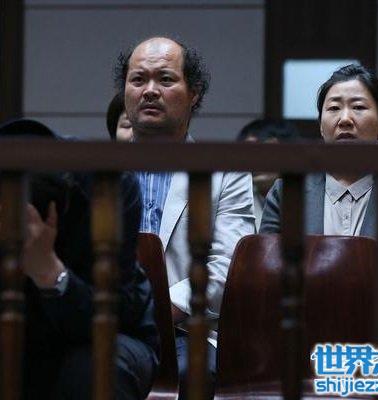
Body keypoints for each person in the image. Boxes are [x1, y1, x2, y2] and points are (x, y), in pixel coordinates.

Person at [114, 36, 255, 399]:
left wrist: (155, 311)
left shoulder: (226, 171)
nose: (150, 90)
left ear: (194, 93)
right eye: (138, 79)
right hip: (107, 323)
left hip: (186, 330)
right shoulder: (97, 170)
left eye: (165, 79)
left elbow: (227, 267)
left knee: (193, 373)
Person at [0, 119, 159, 400]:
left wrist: (50, 273)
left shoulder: (109, 184)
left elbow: (113, 313)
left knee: (95, 367)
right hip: (17, 329)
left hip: (111, 332)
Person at [260, 64, 378, 238]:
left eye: (358, 107)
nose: (345, 119)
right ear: (321, 126)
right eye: (334, 108)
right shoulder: (287, 194)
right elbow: (266, 254)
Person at [237, 118, 302, 230]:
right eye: (249, 153)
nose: (256, 160)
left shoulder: (308, 197)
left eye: (266, 152)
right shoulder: (238, 199)